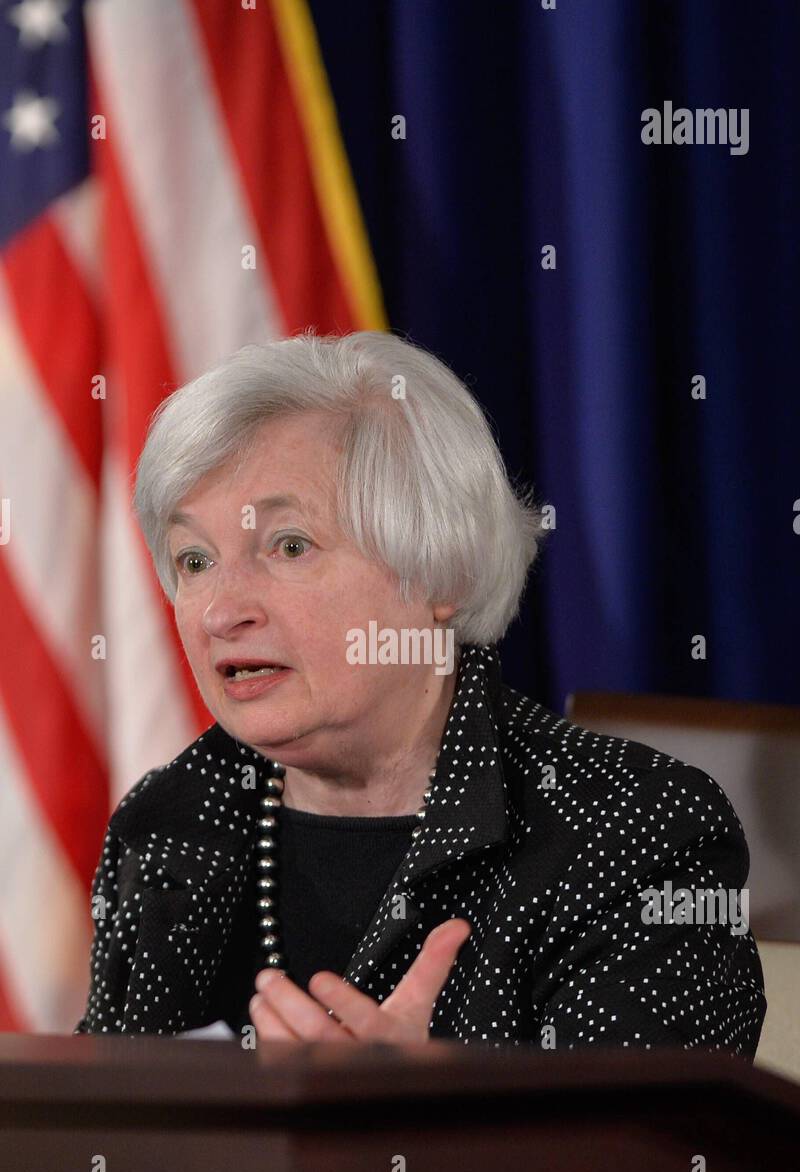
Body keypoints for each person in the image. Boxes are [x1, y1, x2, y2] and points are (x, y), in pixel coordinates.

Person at [74, 331, 767, 1055]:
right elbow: (103, 1136)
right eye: (195, 559)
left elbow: (659, 1151)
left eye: (289, 546)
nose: (221, 611)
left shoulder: (632, 831)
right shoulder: (168, 822)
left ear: (441, 575)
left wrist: (425, 1119)